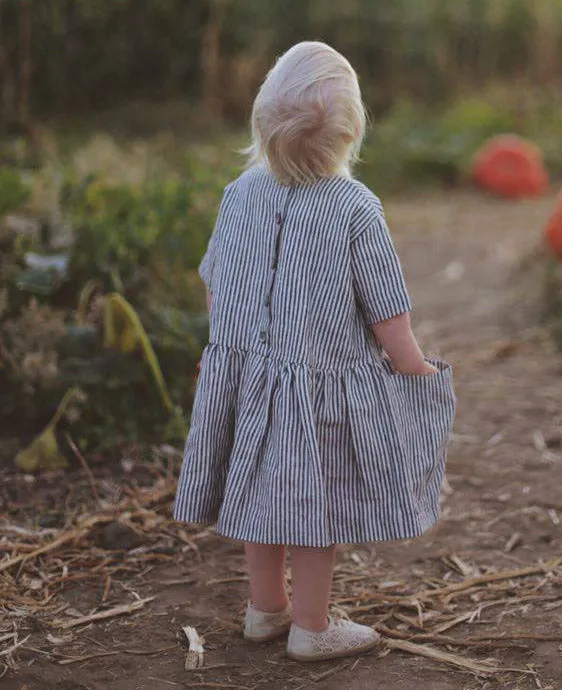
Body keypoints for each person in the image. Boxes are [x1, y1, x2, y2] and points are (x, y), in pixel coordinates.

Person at [174, 41, 456, 662]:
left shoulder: (240, 194)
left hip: (245, 377)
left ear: (261, 123)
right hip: (318, 394)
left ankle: (264, 610)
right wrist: (414, 366)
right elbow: (388, 310)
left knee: (257, 498)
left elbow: (219, 280)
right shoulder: (355, 208)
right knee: (312, 508)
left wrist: (219, 351)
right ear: (352, 131)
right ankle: (312, 627)